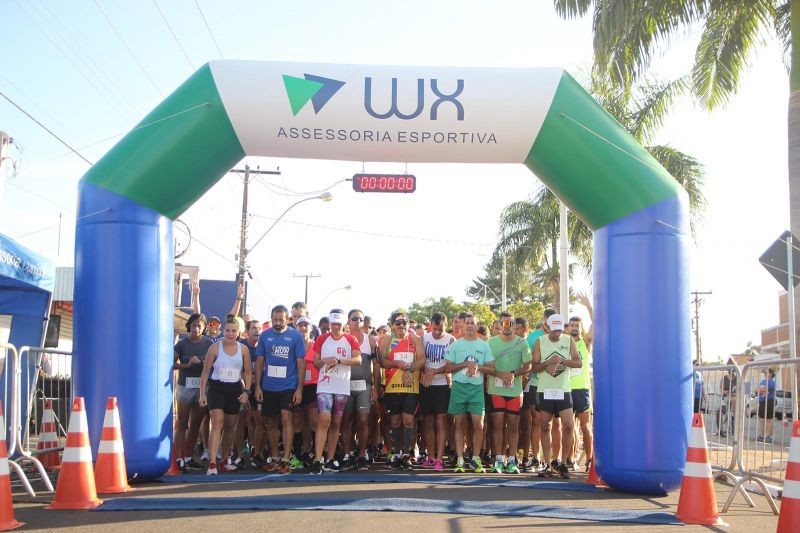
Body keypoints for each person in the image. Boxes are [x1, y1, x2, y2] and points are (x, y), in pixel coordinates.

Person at [255, 305, 307, 473]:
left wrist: (299, 389)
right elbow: (260, 362)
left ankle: (286, 458)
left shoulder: (295, 336)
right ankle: (275, 458)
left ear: (287, 320)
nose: (277, 323)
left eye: (281, 320)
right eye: (275, 320)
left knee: (286, 419)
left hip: (288, 386)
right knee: (270, 423)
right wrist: (258, 386)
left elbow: (301, 364)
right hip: (269, 386)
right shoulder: (264, 336)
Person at [310, 310, 362, 474]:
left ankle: (330, 459)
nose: (336, 327)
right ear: (330, 324)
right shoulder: (321, 339)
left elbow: (358, 360)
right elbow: (316, 363)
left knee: (336, 423)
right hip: (325, 385)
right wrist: (325, 360)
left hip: (341, 386)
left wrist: (339, 360)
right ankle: (318, 459)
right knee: (324, 418)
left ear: (343, 324)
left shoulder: (351, 339)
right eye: (333, 324)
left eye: (339, 324)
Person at [199, 316, 252, 475]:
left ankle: (224, 459)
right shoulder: (214, 348)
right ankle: (213, 462)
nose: (230, 333)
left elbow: (248, 372)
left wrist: (247, 392)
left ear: (239, 332)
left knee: (229, 426)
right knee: (217, 423)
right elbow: (205, 373)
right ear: (223, 330)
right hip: (217, 387)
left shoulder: (243, 350)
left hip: (234, 388)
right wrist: (202, 394)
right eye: (227, 330)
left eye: (233, 331)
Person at [532, 314, 582, 479]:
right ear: (547, 328)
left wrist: (561, 361)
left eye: (559, 330)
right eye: (554, 330)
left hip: (563, 390)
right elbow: (535, 367)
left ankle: (562, 463)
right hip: (545, 390)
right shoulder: (541, 341)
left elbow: (578, 362)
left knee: (567, 426)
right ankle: (547, 464)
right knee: (545, 426)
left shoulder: (568, 341)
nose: (557, 334)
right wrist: (548, 362)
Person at [445, 313, 496, 473]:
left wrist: (477, 367)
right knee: (458, 424)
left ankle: (475, 458)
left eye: (472, 323)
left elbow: (491, 368)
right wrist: (464, 364)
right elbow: (448, 368)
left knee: (478, 425)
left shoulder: (484, 345)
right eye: (467, 323)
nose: (469, 325)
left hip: (476, 388)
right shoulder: (456, 345)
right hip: (459, 387)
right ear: (463, 325)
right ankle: (460, 458)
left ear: (477, 324)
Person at [378, 310, 425, 470]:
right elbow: (382, 361)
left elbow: (421, 360)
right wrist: (397, 364)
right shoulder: (387, 339)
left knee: (408, 420)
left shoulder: (415, 339)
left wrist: (409, 370)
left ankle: (407, 454)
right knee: (394, 421)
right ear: (392, 325)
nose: (401, 325)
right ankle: (396, 453)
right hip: (392, 386)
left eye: (404, 322)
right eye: (397, 323)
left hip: (411, 387)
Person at [486, 312, 532, 474]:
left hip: (515, 391)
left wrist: (513, 373)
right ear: (498, 325)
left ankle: (512, 460)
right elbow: (485, 366)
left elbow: (528, 366)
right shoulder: (491, 342)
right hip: (496, 389)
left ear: (515, 325)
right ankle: (498, 459)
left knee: (513, 426)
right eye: (503, 323)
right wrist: (499, 374)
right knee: (497, 425)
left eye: (510, 323)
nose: (507, 326)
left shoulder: (522, 343)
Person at [173, 313, 214, 472]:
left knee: (196, 424)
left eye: (199, 325)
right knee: (182, 422)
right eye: (194, 325)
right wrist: (187, 364)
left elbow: (215, 363)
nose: (196, 328)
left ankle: (188, 457)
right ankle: (177, 458)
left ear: (204, 328)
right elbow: (171, 363)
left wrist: (203, 361)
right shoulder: (182, 344)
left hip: (203, 388)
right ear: (189, 326)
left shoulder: (209, 343)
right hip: (184, 386)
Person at [340, 309, 380, 470]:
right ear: (348, 322)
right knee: (347, 420)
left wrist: (376, 387)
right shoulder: (342, 340)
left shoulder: (370, 341)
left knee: (363, 420)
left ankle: (362, 454)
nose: (357, 321)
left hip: (364, 385)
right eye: (354, 319)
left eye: (360, 319)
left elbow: (377, 365)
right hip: (345, 385)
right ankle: (348, 454)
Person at [420, 312, 454, 471]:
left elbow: (450, 365)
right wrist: (423, 370)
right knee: (427, 421)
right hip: (426, 384)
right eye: (434, 329)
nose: (437, 332)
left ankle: (440, 458)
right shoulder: (424, 338)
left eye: (440, 329)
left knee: (441, 420)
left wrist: (435, 372)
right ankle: (431, 456)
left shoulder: (450, 339)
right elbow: (419, 359)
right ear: (430, 326)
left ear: (445, 326)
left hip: (442, 385)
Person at [568, 296, 594, 471]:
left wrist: (589, 306)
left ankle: (590, 460)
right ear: (568, 328)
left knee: (585, 426)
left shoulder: (585, 342)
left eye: (578, 326)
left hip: (582, 389)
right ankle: (571, 459)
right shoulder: (564, 343)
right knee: (569, 426)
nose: (575, 328)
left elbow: (597, 323)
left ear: (581, 328)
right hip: (567, 389)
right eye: (573, 326)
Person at [293, 316, 319, 465]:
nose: (303, 328)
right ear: (296, 328)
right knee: (297, 422)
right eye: (300, 325)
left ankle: (315, 455)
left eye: (306, 325)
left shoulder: (316, 345)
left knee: (314, 421)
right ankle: (297, 456)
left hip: (313, 386)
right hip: (296, 386)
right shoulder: (293, 345)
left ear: (310, 328)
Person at [757, 368, 776, 443]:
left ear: (771, 374)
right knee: (761, 419)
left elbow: (764, 389)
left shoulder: (772, 382)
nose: (765, 374)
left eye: (766, 372)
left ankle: (769, 436)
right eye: (764, 372)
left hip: (769, 401)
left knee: (769, 419)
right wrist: (762, 390)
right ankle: (761, 435)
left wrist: (762, 390)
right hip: (762, 401)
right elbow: (757, 390)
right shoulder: (763, 381)